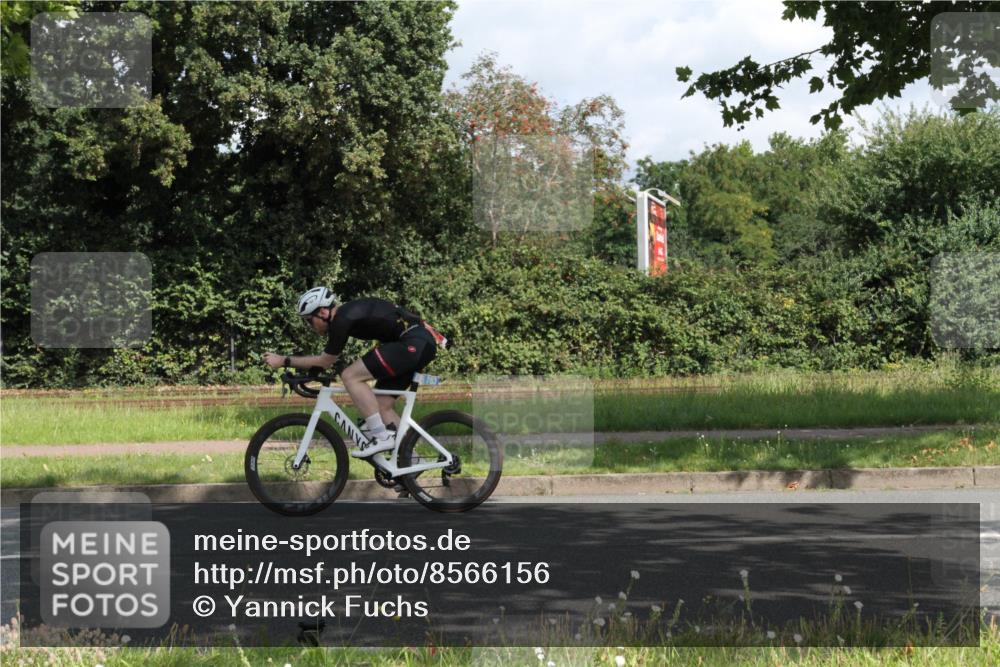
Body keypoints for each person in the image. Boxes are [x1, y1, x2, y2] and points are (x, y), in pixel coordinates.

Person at [262, 287, 444, 458]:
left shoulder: (342, 319)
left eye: (310, 320)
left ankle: (382, 437)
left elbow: (325, 361)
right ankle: (412, 464)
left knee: (350, 376)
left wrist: (284, 360)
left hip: (413, 342)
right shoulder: (345, 317)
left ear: (323, 312)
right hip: (418, 342)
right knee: (381, 407)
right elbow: (324, 363)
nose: (311, 326)